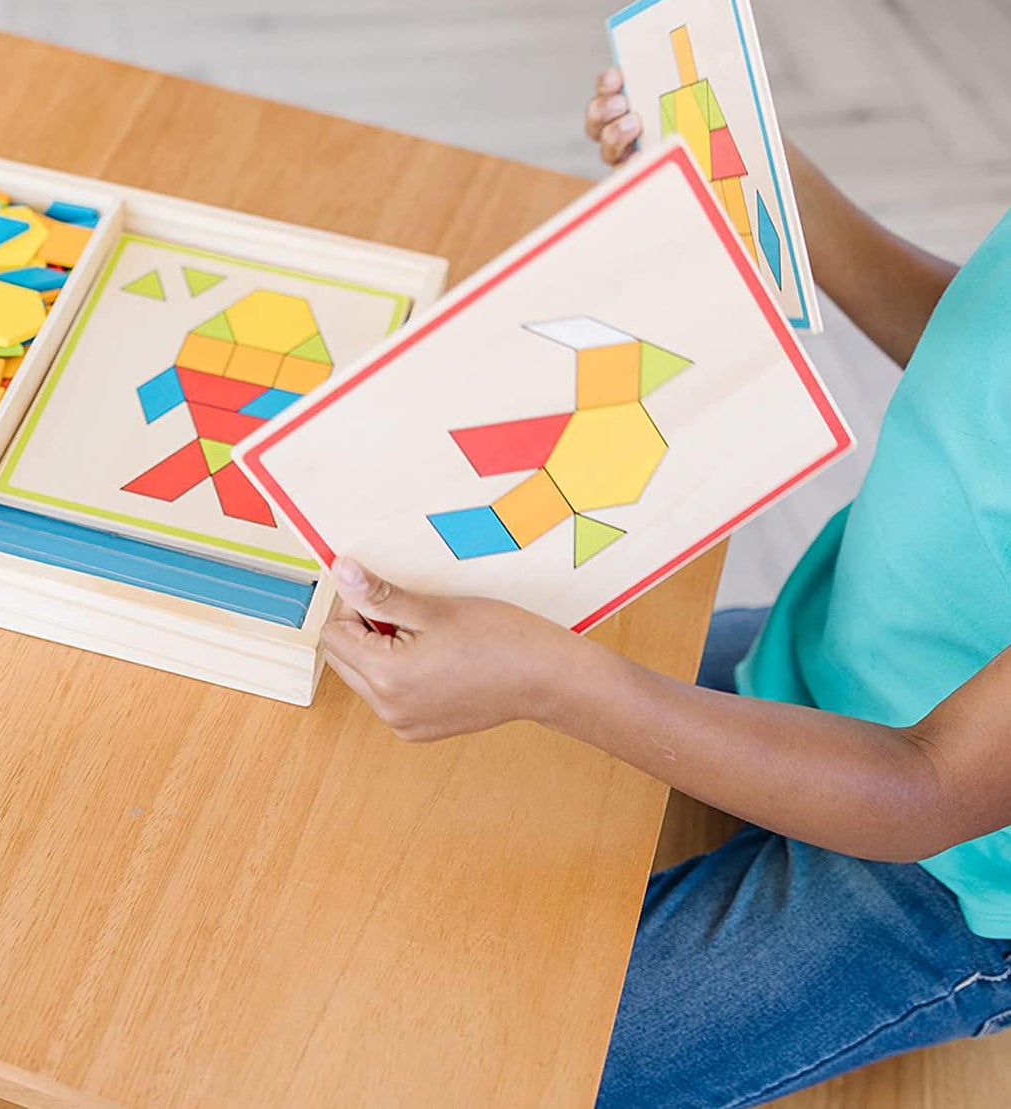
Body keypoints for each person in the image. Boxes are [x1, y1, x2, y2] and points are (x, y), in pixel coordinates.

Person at [322, 69, 1011, 1108]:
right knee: (356, 767)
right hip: (821, 652)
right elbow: (982, 349)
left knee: (463, 1050)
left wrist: (557, 680)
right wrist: (779, 190)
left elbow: (925, 789)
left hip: (951, 870)